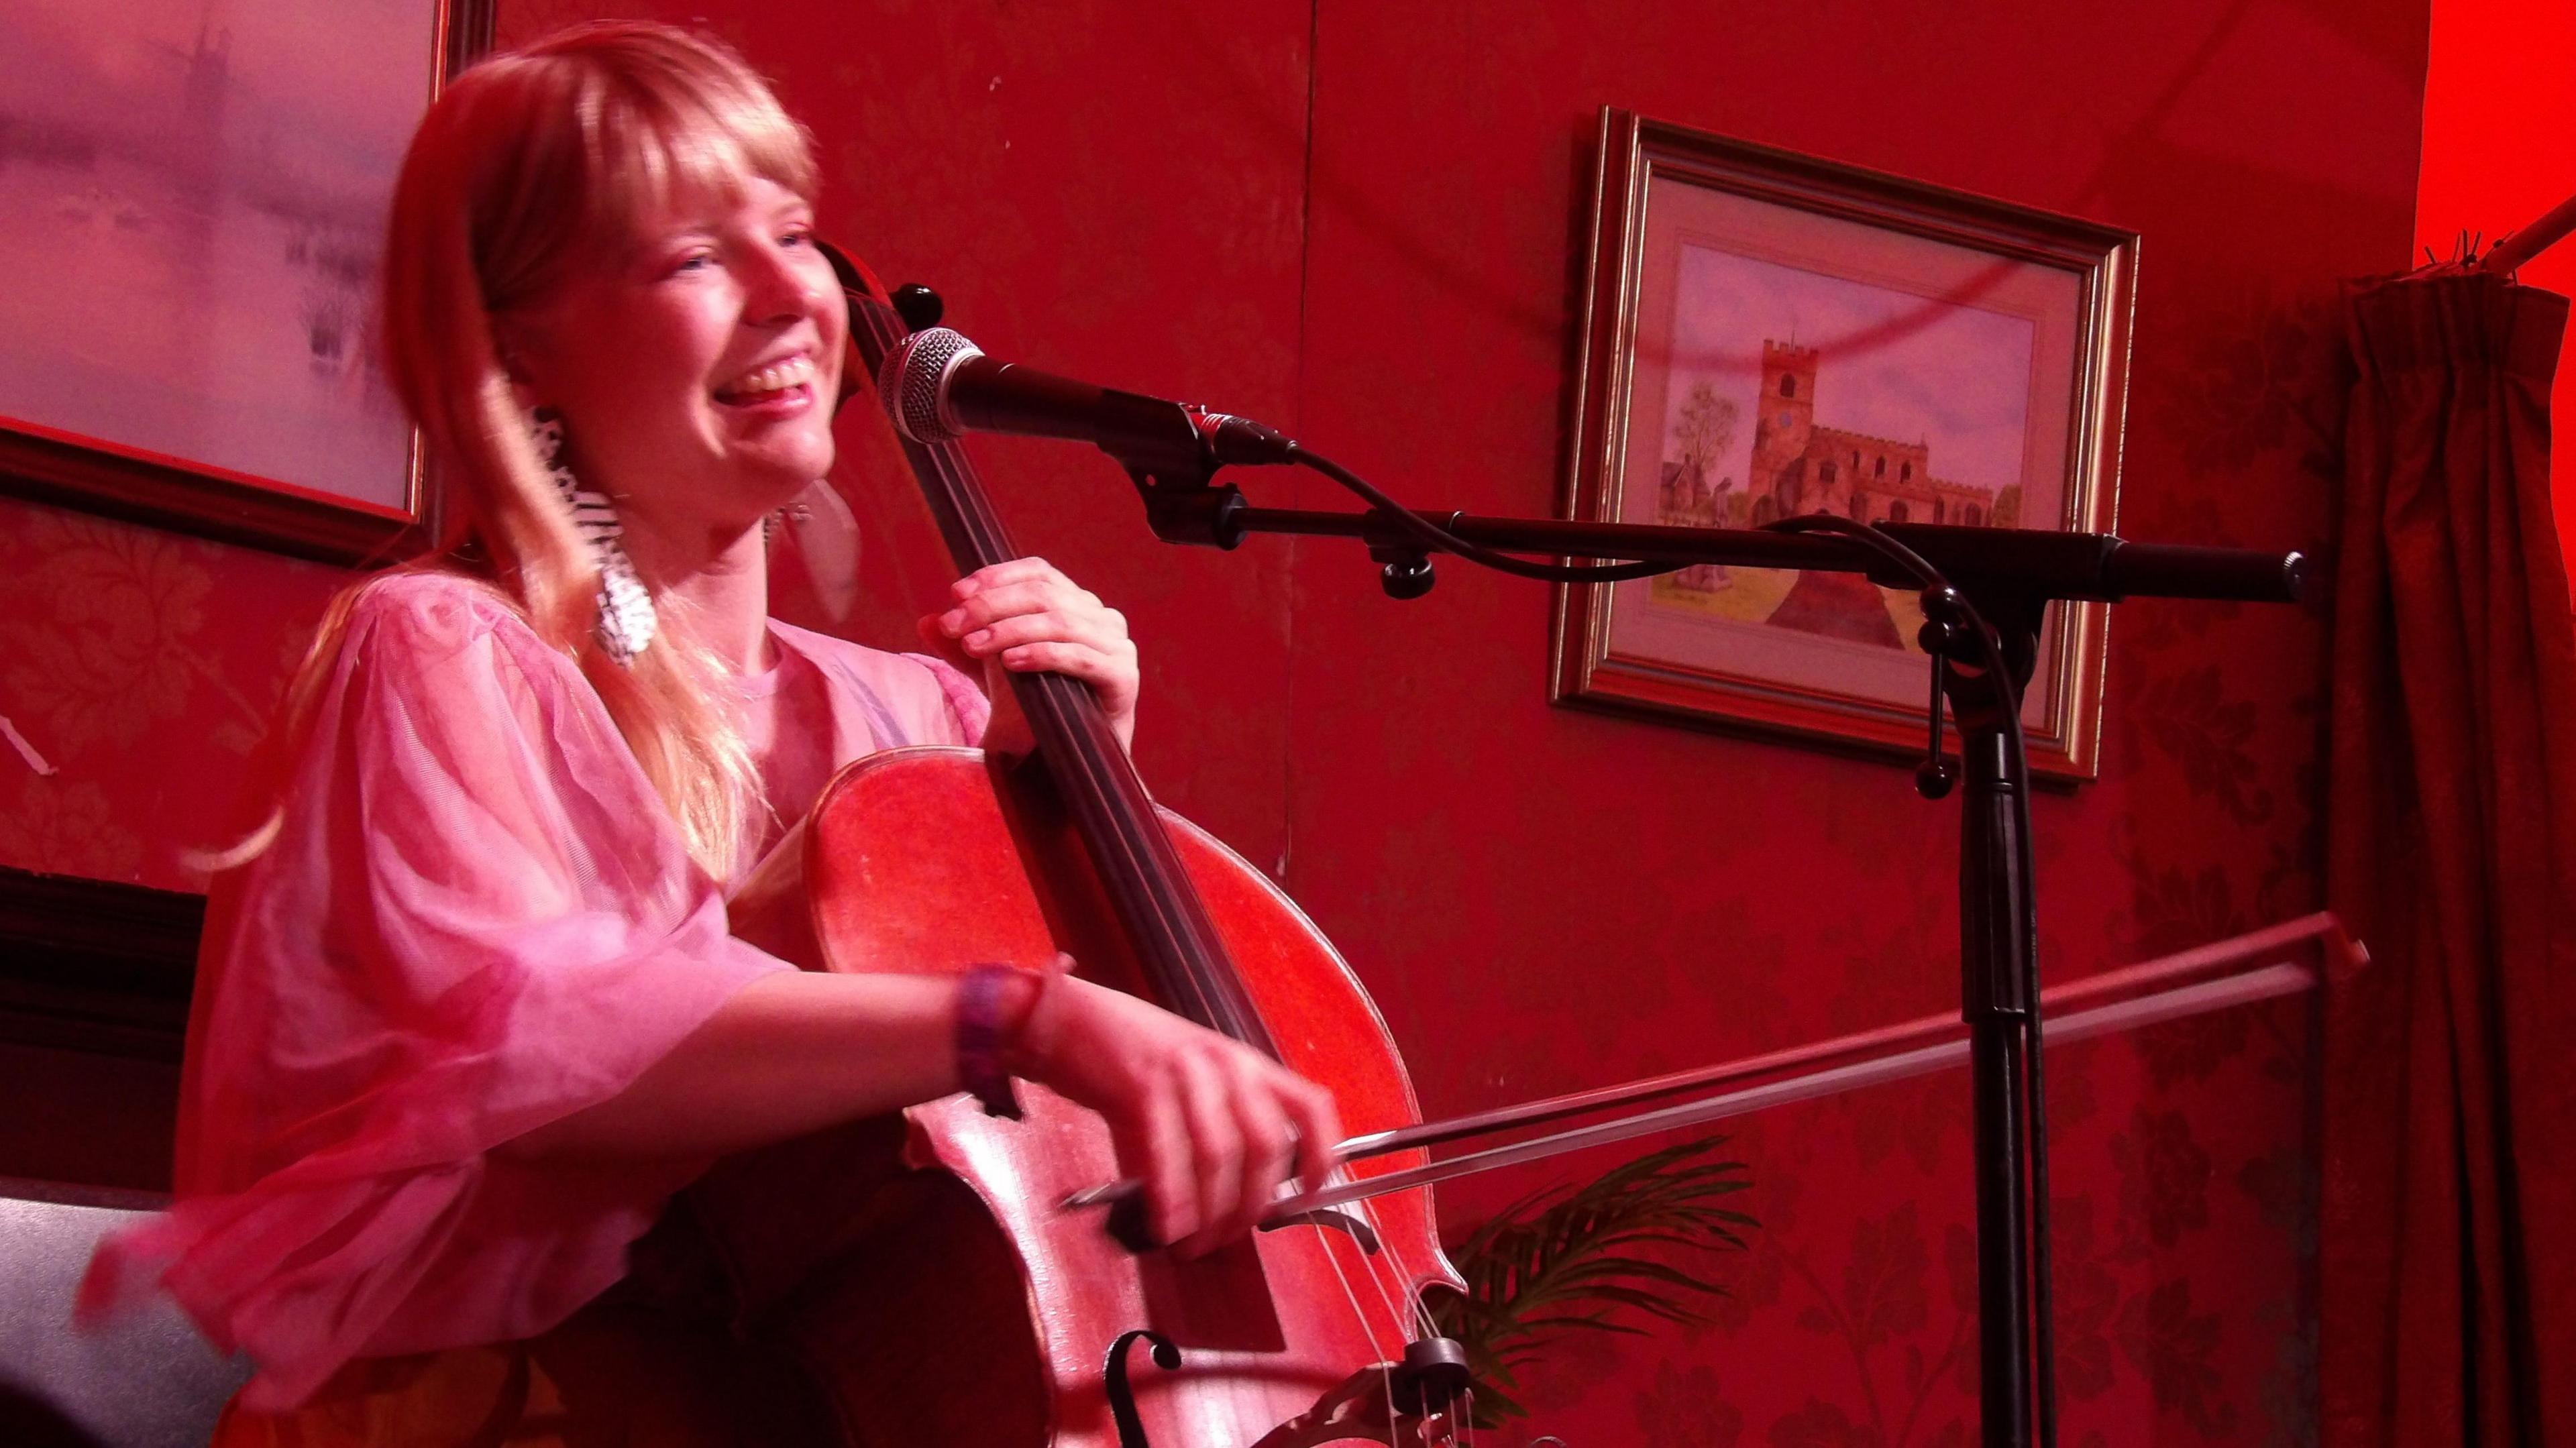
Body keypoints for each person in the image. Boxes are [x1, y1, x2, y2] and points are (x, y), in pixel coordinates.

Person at [80, 21, 1340, 1439]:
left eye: (793, 233)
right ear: (521, 351)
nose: (788, 297)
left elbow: (1058, 1169)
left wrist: (1081, 796)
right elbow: (548, 1052)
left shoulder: (915, 717)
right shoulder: (448, 651)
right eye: (688, 259)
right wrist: (1030, 1012)